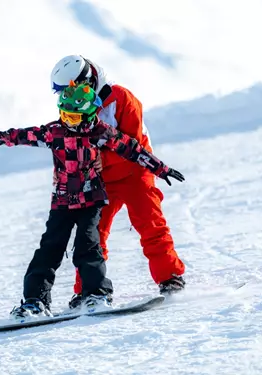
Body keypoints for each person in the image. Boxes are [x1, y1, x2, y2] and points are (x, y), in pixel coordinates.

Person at [0, 81, 185, 319]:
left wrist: (161, 169)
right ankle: (35, 301)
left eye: (74, 118)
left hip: (91, 201)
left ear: (88, 115)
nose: (68, 122)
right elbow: (19, 136)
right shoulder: (55, 132)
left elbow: (133, 150)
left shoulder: (101, 132)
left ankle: (96, 294)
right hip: (62, 203)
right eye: (64, 115)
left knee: (89, 247)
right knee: (48, 250)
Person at [50, 55, 187, 309]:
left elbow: (133, 144)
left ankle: (170, 277)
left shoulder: (122, 99)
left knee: (151, 225)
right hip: (102, 182)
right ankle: (89, 289)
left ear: (86, 80)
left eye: (72, 88)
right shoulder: (74, 107)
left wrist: (103, 159)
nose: (70, 95)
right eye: (64, 91)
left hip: (136, 174)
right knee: (91, 236)